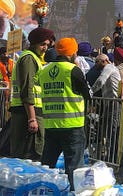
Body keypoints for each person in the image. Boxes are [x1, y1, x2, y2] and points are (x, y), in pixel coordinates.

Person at [38, 37, 92, 189]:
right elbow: (88, 94)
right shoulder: (73, 70)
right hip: (72, 127)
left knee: (47, 166)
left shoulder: (44, 71)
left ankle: (44, 190)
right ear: (72, 52)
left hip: (51, 126)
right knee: (74, 169)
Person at [10, 27, 54, 160]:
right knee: (29, 152)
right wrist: (32, 118)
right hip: (27, 112)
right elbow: (27, 88)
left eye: (47, 44)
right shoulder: (29, 59)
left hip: (30, 110)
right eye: (42, 44)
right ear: (34, 43)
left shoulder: (34, 58)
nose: (45, 48)